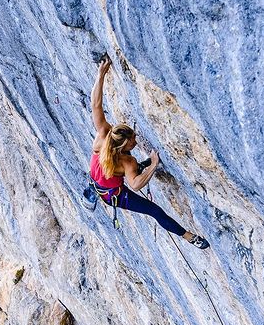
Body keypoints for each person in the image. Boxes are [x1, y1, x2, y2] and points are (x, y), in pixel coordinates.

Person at [87, 56, 209, 249]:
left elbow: (96, 105)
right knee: (154, 211)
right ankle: (189, 237)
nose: (136, 141)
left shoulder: (103, 134)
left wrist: (101, 73)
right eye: (133, 141)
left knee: (136, 170)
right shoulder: (126, 163)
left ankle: (142, 167)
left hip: (98, 183)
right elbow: (135, 185)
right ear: (123, 147)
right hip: (115, 195)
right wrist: (152, 165)